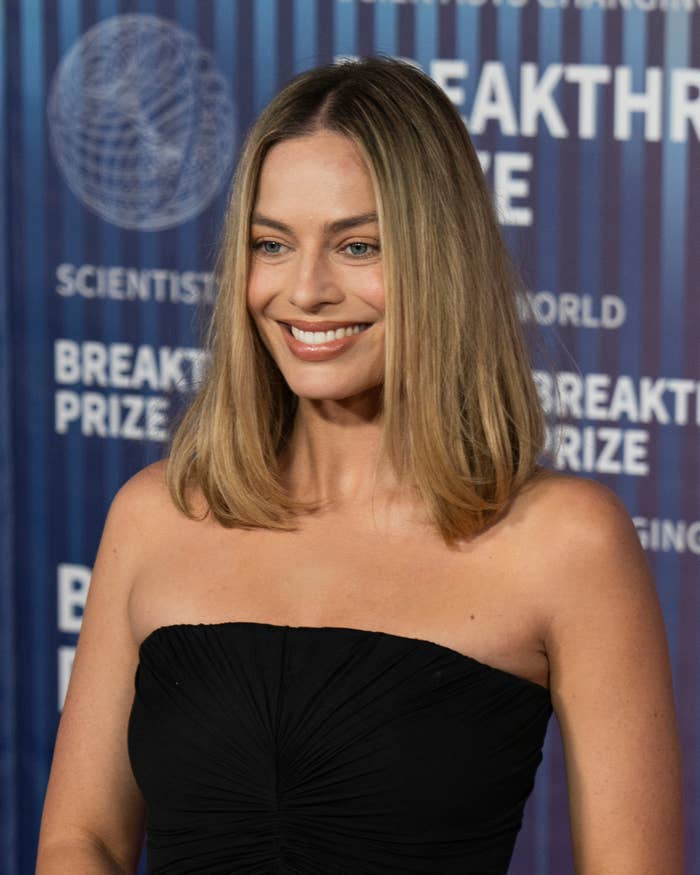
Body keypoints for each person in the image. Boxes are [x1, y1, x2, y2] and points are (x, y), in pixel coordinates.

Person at [36, 56, 683, 874]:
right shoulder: (153, 515)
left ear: (440, 260)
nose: (305, 290)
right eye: (272, 244)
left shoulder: (566, 541)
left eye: (357, 245)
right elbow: (81, 839)